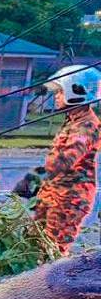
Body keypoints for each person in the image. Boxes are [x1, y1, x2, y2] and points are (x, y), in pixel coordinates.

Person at [33, 64, 101, 255]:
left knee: (51, 252)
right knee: (33, 245)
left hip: (69, 199)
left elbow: (64, 161)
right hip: (53, 193)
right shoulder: (73, 120)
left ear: (76, 91)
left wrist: (34, 177)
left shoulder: (87, 125)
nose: (56, 96)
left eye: (60, 92)